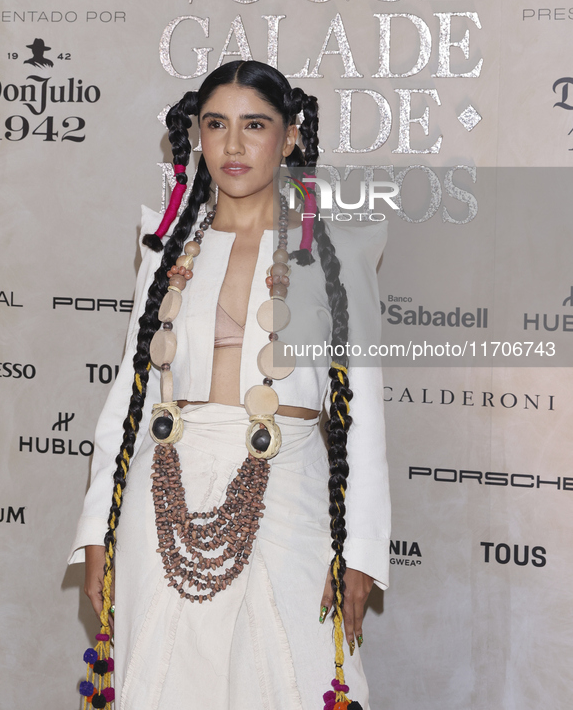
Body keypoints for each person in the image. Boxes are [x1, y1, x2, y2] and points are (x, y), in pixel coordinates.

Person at [68, 60, 390, 710]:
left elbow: (362, 422)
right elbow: (125, 401)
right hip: (163, 495)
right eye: (216, 125)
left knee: (291, 675)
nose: (234, 145)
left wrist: (358, 550)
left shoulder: (337, 250)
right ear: (197, 135)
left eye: (255, 125)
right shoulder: (166, 248)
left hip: (288, 495)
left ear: (290, 136)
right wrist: (96, 529)